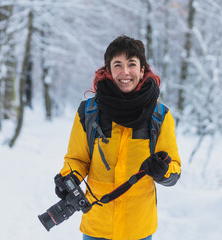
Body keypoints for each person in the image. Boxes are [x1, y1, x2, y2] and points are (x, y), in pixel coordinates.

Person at [56, 35, 181, 240]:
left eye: (132, 64)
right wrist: (69, 177)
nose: (125, 72)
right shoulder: (88, 112)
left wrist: (163, 171)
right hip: (97, 225)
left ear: (142, 70)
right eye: (117, 65)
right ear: (108, 71)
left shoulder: (159, 116)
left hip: (138, 229)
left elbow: (174, 168)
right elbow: (77, 160)